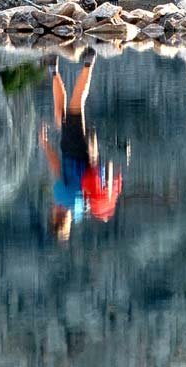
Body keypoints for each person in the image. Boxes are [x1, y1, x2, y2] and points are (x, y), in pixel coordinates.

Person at [38, 48, 123, 242]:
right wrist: (44, 144)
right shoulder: (62, 198)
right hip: (74, 150)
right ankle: (89, 61)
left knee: (60, 116)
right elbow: (56, 166)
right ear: (55, 217)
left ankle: (53, 67)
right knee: (76, 106)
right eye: (51, 215)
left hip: (89, 154)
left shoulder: (82, 208)